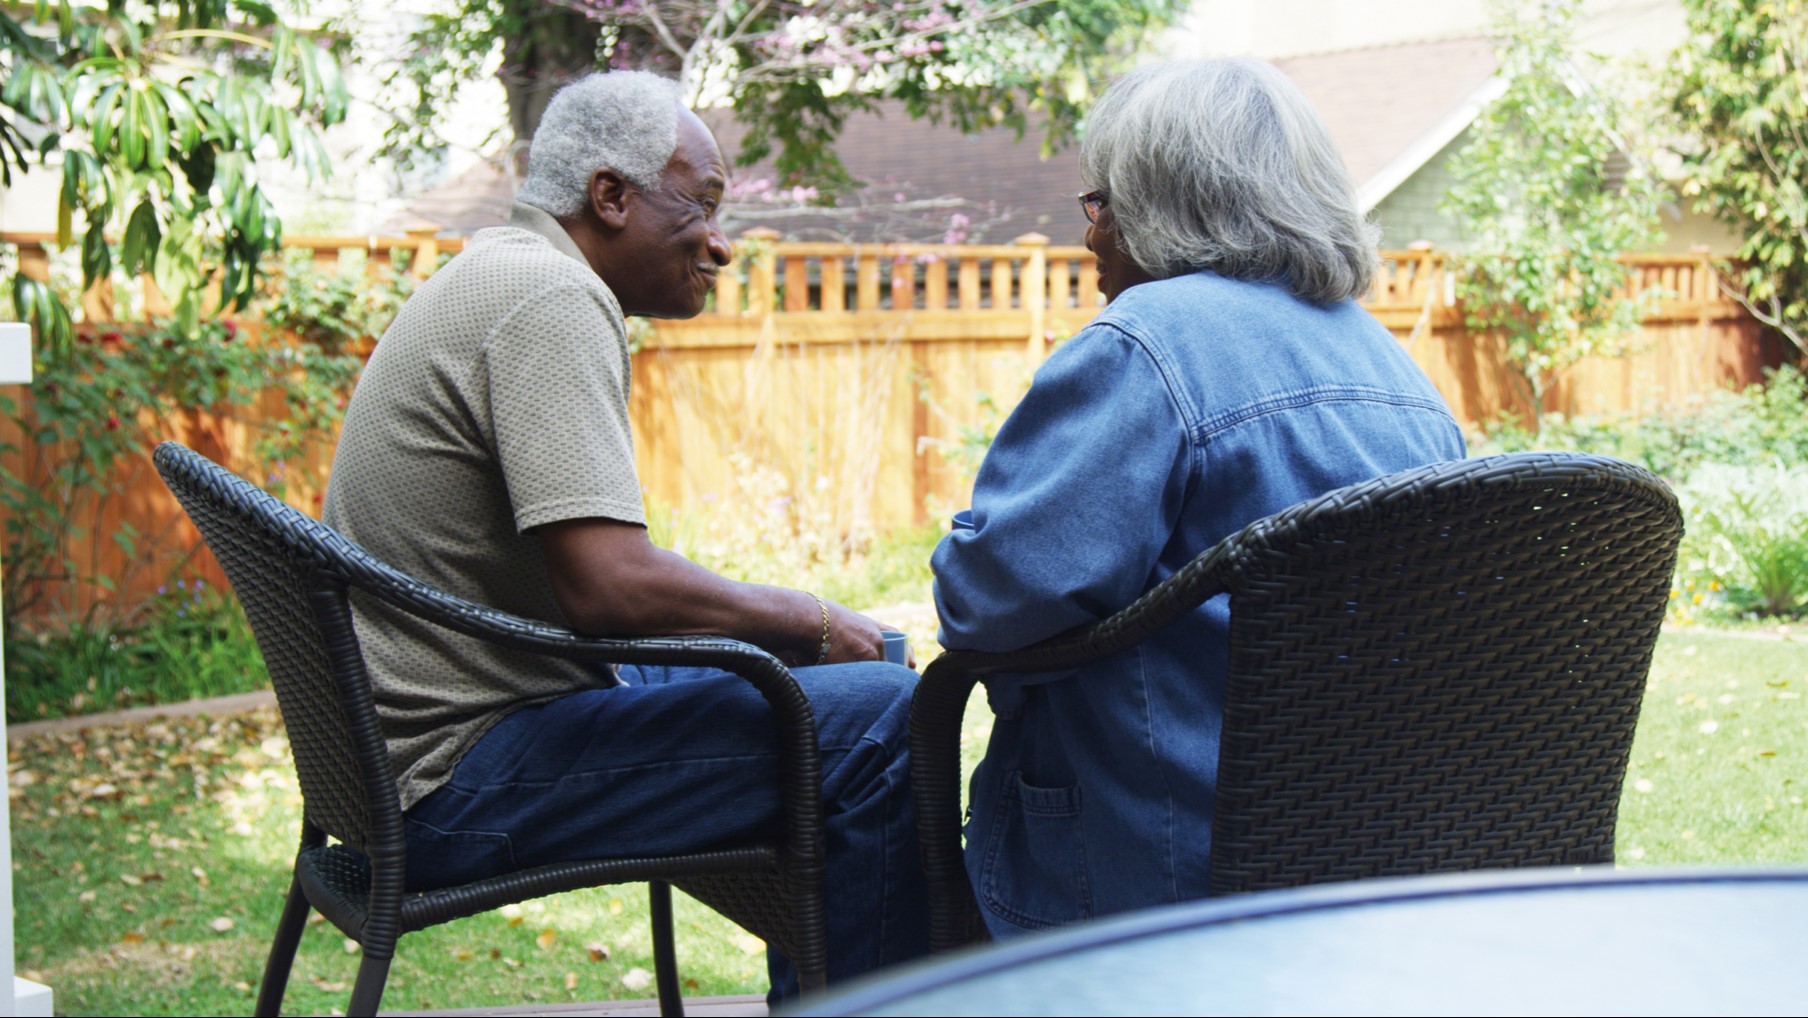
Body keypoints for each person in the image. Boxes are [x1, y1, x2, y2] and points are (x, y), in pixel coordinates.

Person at [322, 71, 928, 998]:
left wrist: (791, 636)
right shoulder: (550, 299)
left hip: (408, 755)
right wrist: (806, 617)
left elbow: (598, 589)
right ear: (610, 196)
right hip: (458, 781)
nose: (723, 243)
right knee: (879, 714)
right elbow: (609, 588)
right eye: (706, 205)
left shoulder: (500, 270)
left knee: (831, 686)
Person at [930, 58, 1469, 939]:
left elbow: (984, 602)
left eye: (1098, 202)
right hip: (1365, 860)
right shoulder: (1395, 370)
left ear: (1158, 199)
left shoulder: (1144, 345)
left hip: (1157, 873)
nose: (1089, 235)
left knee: (856, 802)